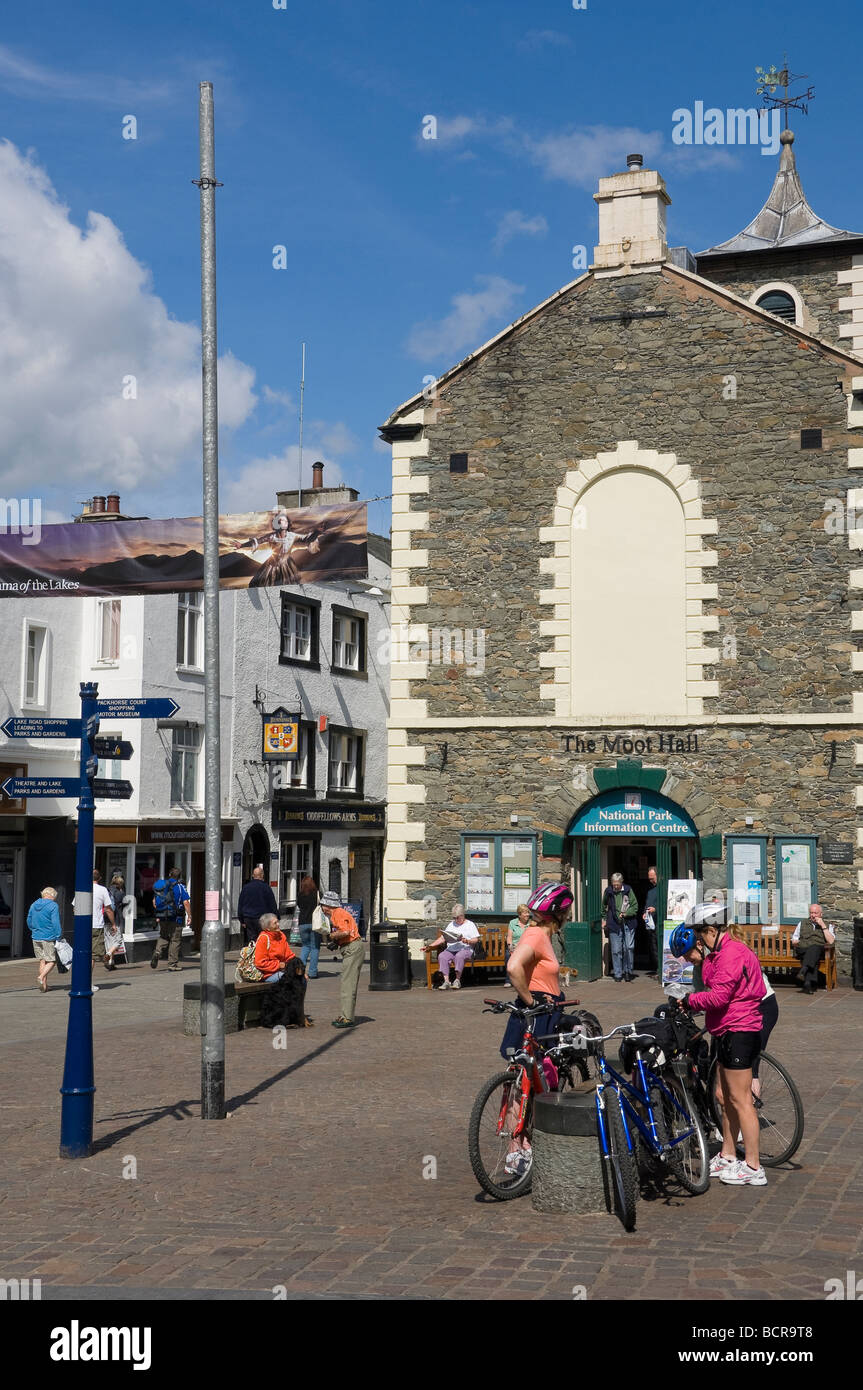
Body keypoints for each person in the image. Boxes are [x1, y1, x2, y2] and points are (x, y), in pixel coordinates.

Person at [670, 902, 768, 1187]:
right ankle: (727, 1154)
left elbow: (719, 997)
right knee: (725, 1097)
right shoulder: (718, 954)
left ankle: (753, 1165)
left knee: (741, 1100)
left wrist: (690, 1001)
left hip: (740, 1030)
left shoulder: (733, 953)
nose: (698, 941)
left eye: (700, 935)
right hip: (726, 1029)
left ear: (712, 930)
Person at [500, 881, 574, 1176]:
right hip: (537, 1013)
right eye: (566, 911)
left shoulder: (541, 934)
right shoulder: (536, 934)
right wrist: (531, 1000)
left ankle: (524, 1142)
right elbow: (513, 967)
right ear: (560, 913)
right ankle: (515, 1149)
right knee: (524, 1081)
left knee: (527, 1078)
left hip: (545, 1011)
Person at [320, 891, 363, 1027]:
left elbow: (345, 931)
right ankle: (346, 1014)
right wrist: (338, 943)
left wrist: (332, 936)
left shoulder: (337, 913)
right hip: (351, 947)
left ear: (327, 905)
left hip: (352, 948)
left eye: (322, 904)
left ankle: (347, 1018)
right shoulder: (339, 913)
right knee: (347, 982)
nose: (321, 907)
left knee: (347, 984)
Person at [423, 903, 480, 990]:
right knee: (442, 956)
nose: (456, 919)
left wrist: (467, 941)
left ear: (462, 915)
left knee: (459, 956)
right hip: (451, 949)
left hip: (465, 949)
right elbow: (442, 938)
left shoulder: (470, 924)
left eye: (457, 917)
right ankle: (446, 981)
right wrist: (430, 946)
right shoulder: (451, 924)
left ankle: (457, 980)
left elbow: (476, 939)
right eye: (454, 918)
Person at [150, 866, 191, 972]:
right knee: (175, 940)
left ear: (169, 875)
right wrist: (189, 916)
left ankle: (157, 952)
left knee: (163, 936)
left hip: (163, 916)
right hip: (176, 918)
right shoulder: (181, 887)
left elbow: (154, 902)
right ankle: (172, 964)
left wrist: (161, 911)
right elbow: (186, 903)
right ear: (180, 877)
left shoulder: (163, 886)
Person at [791, 903, 835, 995]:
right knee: (812, 952)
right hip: (803, 948)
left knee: (813, 949)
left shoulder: (827, 925)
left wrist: (823, 925)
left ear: (821, 914)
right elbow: (794, 938)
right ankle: (808, 976)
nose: (813, 915)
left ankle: (806, 979)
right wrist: (795, 941)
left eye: (815, 913)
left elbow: (831, 941)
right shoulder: (802, 923)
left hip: (817, 950)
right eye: (811, 913)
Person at [602, 872, 639, 982]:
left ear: (621, 882)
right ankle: (618, 973)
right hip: (613, 923)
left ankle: (628, 971)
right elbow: (603, 905)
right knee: (616, 950)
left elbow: (635, 905)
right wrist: (604, 919)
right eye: (614, 884)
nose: (616, 886)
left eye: (617, 884)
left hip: (628, 922)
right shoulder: (608, 892)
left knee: (628, 948)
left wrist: (627, 913)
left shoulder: (628, 890)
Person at [27, 886, 62, 993]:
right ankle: (41, 977)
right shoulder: (53, 905)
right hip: (48, 937)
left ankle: (44, 986)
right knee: (52, 961)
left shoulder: (34, 904)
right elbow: (55, 922)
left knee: (42, 960)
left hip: (36, 936)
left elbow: (29, 919)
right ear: (52, 895)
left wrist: (33, 929)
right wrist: (58, 935)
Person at [237, 866, 278, 948]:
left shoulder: (246, 888)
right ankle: (260, 958)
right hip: (261, 919)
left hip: (248, 918)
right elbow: (272, 904)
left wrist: (241, 920)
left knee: (252, 940)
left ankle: (252, 957)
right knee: (262, 939)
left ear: (253, 875)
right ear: (262, 875)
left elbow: (240, 904)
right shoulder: (266, 888)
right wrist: (276, 918)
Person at [253, 912, 296, 983]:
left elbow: (289, 955)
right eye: (275, 923)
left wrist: (298, 966)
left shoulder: (281, 935)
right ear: (267, 928)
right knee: (290, 979)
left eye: (278, 922)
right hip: (267, 974)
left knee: (301, 978)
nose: (278, 924)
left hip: (282, 970)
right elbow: (259, 963)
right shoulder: (263, 938)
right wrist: (278, 965)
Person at [296, 874, 321, 979]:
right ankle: (312, 972)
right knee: (315, 947)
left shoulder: (300, 895)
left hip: (302, 923)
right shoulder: (317, 894)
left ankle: (300, 970)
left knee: (305, 947)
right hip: (315, 923)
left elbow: (299, 906)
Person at [504, 904, 531, 987]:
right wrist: (510, 946)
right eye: (525, 913)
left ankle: (527, 979)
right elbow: (509, 937)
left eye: (528, 912)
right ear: (519, 914)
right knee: (508, 955)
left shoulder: (531, 923)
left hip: (527, 947)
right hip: (515, 946)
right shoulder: (513, 922)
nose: (527, 915)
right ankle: (508, 980)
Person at [91, 870, 114, 968]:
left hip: (83, 926)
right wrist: (113, 924)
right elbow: (108, 909)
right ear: (99, 878)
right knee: (92, 956)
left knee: (84, 952)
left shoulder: (83, 888)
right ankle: (87, 982)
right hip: (96, 925)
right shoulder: (103, 890)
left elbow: (75, 908)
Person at [643, 866, 659, 977]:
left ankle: (661, 971)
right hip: (651, 924)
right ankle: (658, 969)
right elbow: (647, 904)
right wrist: (645, 912)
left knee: (660, 948)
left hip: (660, 924)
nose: (651, 881)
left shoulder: (665, 889)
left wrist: (656, 909)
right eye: (649, 879)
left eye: (652, 878)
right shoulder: (650, 891)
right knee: (654, 949)